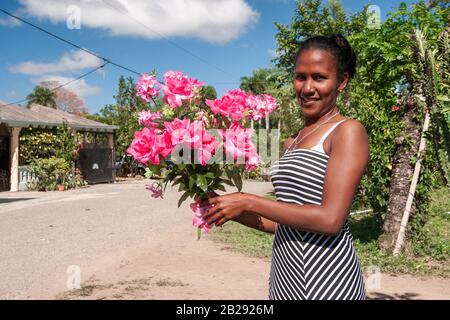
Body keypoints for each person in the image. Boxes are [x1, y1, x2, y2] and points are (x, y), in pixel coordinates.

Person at [203, 34, 369, 300]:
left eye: (319, 77)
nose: (307, 88)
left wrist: (247, 200)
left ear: (342, 81)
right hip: (285, 277)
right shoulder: (292, 141)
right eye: (301, 76)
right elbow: (281, 222)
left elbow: (330, 220)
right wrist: (225, 207)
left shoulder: (347, 131)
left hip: (328, 279)